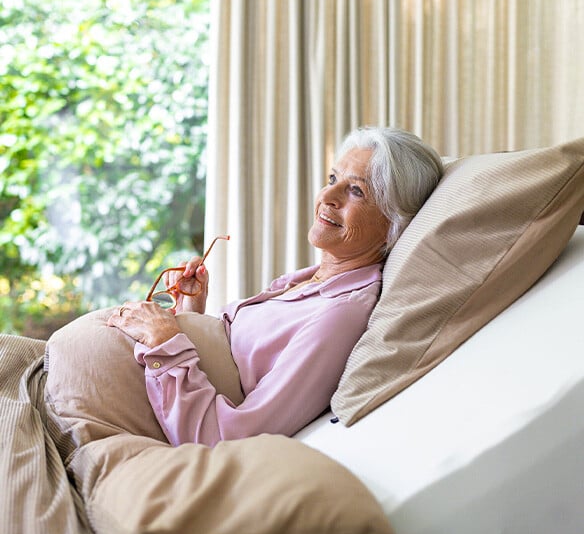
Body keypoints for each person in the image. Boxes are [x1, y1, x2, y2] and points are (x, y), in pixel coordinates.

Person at [107, 127, 444, 447]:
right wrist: (190, 314)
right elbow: (231, 364)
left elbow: (230, 437)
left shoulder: (341, 315)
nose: (326, 196)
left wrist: (166, 340)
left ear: (395, 222)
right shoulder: (308, 281)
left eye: (355, 191)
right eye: (332, 179)